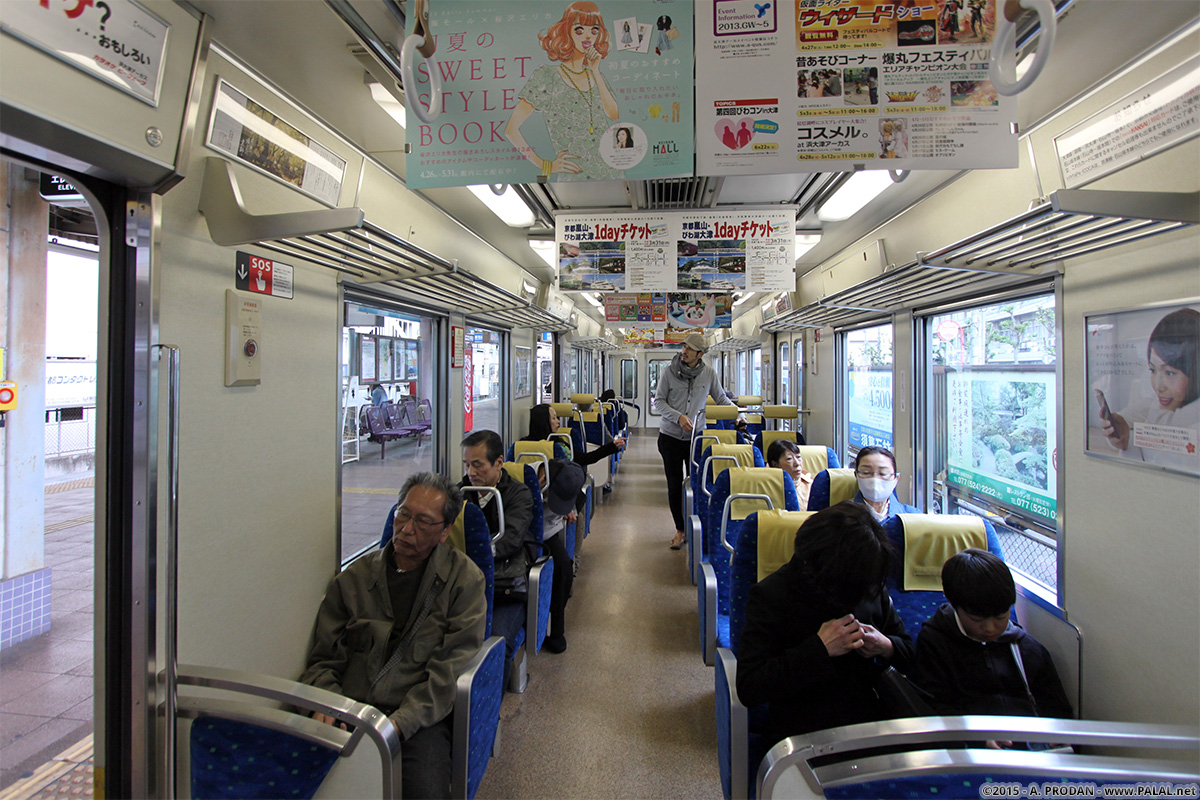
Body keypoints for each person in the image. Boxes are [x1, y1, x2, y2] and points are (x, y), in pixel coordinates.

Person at [299, 472, 486, 800]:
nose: (406, 529)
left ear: (444, 532)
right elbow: (323, 659)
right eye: (403, 514)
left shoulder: (464, 582)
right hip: (349, 707)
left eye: (423, 521)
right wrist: (329, 704)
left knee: (425, 791)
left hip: (416, 717)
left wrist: (397, 724)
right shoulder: (353, 580)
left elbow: (447, 674)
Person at [736, 503, 914, 746]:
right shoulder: (772, 595)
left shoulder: (868, 580)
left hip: (874, 724)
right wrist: (819, 649)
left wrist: (886, 646)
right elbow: (750, 687)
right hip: (805, 733)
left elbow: (908, 650)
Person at [914, 549, 1073, 724]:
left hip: (1024, 739)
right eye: (977, 619)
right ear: (954, 604)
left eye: (1000, 617)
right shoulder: (934, 644)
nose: (990, 628)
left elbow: (1058, 709)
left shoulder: (1027, 649)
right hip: (966, 740)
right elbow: (932, 706)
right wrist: (976, 735)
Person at [505, 2, 622, 181]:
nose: (587, 36)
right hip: (574, 178)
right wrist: (546, 165)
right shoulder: (547, 76)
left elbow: (613, 114)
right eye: (579, 30)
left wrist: (596, 71)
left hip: (612, 172)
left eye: (594, 30)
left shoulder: (597, 76)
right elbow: (511, 130)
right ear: (567, 31)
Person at [459, 430, 535, 679]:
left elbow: (509, 541)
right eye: (467, 465)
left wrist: (470, 558)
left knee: (495, 648)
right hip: (464, 586)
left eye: (477, 465)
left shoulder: (519, 494)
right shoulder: (459, 495)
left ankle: (488, 713)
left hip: (505, 588)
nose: (471, 472)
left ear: (499, 463)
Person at [655, 332, 735, 549]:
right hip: (670, 437)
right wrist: (678, 416)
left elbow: (721, 399)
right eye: (684, 347)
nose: (684, 351)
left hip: (695, 438)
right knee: (674, 485)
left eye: (689, 349)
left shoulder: (709, 373)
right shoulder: (667, 373)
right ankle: (679, 529)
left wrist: (738, 415)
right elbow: (659, 402)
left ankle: (695, 526)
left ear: (700, 354)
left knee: (697, 484)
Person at [1098, 307, 1199, 470]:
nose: (1158, 386)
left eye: (1170, 372)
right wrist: (1117, 433)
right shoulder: (1155, 404)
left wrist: (1131, 439)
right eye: (1153, 370)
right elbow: (1127, 418)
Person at [541, 458, 587, 653]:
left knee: (564, 569)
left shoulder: (571, 480)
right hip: (525, 534)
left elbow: (577, 500)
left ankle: (556, 630)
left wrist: (571, 509)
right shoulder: (527, 482)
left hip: (547, 533)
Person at [851, 445, 920, 521]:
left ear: (896, 478)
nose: (875, 479)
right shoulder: (841, 516)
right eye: (866, 472)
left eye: (883, 473)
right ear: (856, 476)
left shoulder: (913, 517)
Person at [767, 438, 814, 510]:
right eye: (789, 459)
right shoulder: (767, 487)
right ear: (775, 464)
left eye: (798, 457)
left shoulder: (811, 484)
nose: (797, 463)